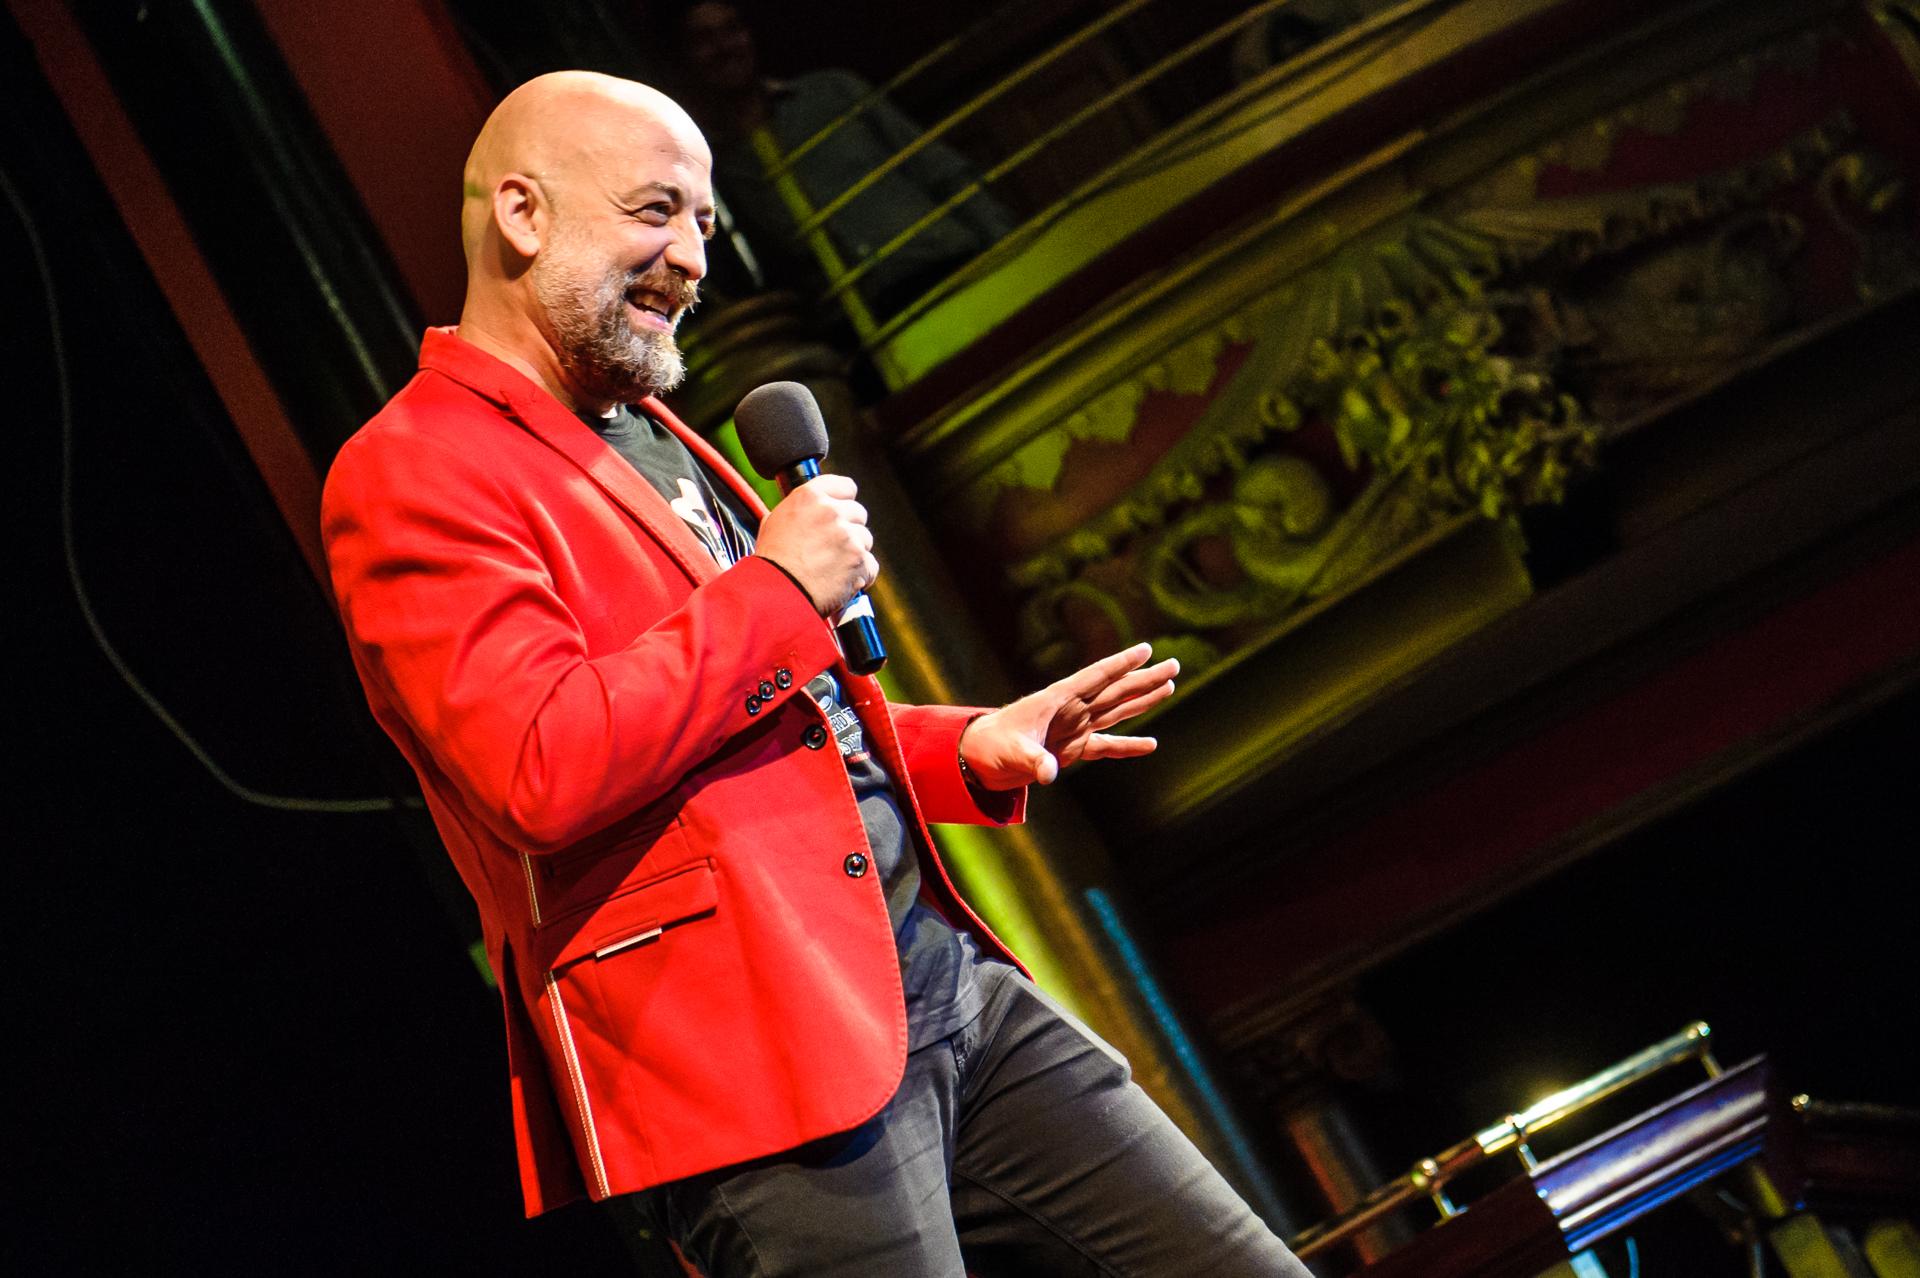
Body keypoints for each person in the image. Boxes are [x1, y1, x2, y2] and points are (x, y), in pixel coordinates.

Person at [322, 71, 1307, 1276]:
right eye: (655, 211)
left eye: (704, 224)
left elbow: (781, 716)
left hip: (939, 981)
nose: (693, 259)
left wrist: (959, 747)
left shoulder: (647, 431)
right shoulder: (415, 470)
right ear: (524, 215)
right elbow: (542, 765)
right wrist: (783, 588)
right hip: (755, 1067)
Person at [675, 1, 1017, 322]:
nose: (724, 47)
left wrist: (1007, 242)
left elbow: (936, 166)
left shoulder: (833, 92)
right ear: (686, 60)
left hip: (950, 262)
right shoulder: (715, 169)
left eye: (732, 29)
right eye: (704, 40)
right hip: (868, 314)